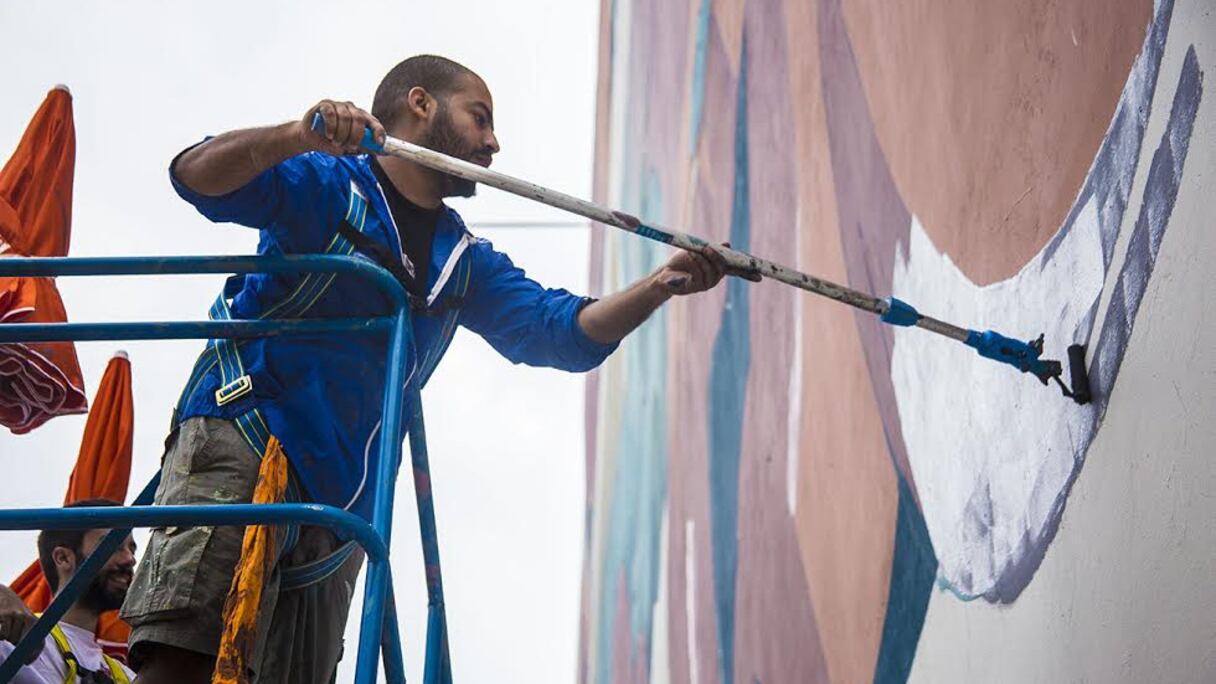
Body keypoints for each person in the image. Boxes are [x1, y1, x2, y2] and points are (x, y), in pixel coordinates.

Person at [120, 54, 733, 684]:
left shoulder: (463, 260)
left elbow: (560, 334)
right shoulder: (329, 183)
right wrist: (295, 136)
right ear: (421, 104)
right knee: (182, 663)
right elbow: (196, 177)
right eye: (480, 117)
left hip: (339, 506)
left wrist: (661, 285)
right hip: (247, 434)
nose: (493, 142)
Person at [0, 499, 137, 683]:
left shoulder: (125, 675)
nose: (130, 559)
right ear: (63, 558)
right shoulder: (12, 640)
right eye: (113, 546)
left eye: (131, 549)